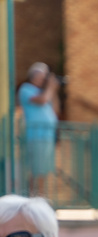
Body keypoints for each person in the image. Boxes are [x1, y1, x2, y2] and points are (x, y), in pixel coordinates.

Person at [17, 63, 59, 195]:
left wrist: (54, 91)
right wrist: (51, 88)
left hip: (47, 135)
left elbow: (55, 109)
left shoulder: (44, 91)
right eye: (42, 77)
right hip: (36, 135)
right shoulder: (26, 89)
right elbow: (42, 100)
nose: (44, 80)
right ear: (34, 76)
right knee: (35, 168)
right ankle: (33, 196)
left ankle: (40, 196)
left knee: (44, 169)